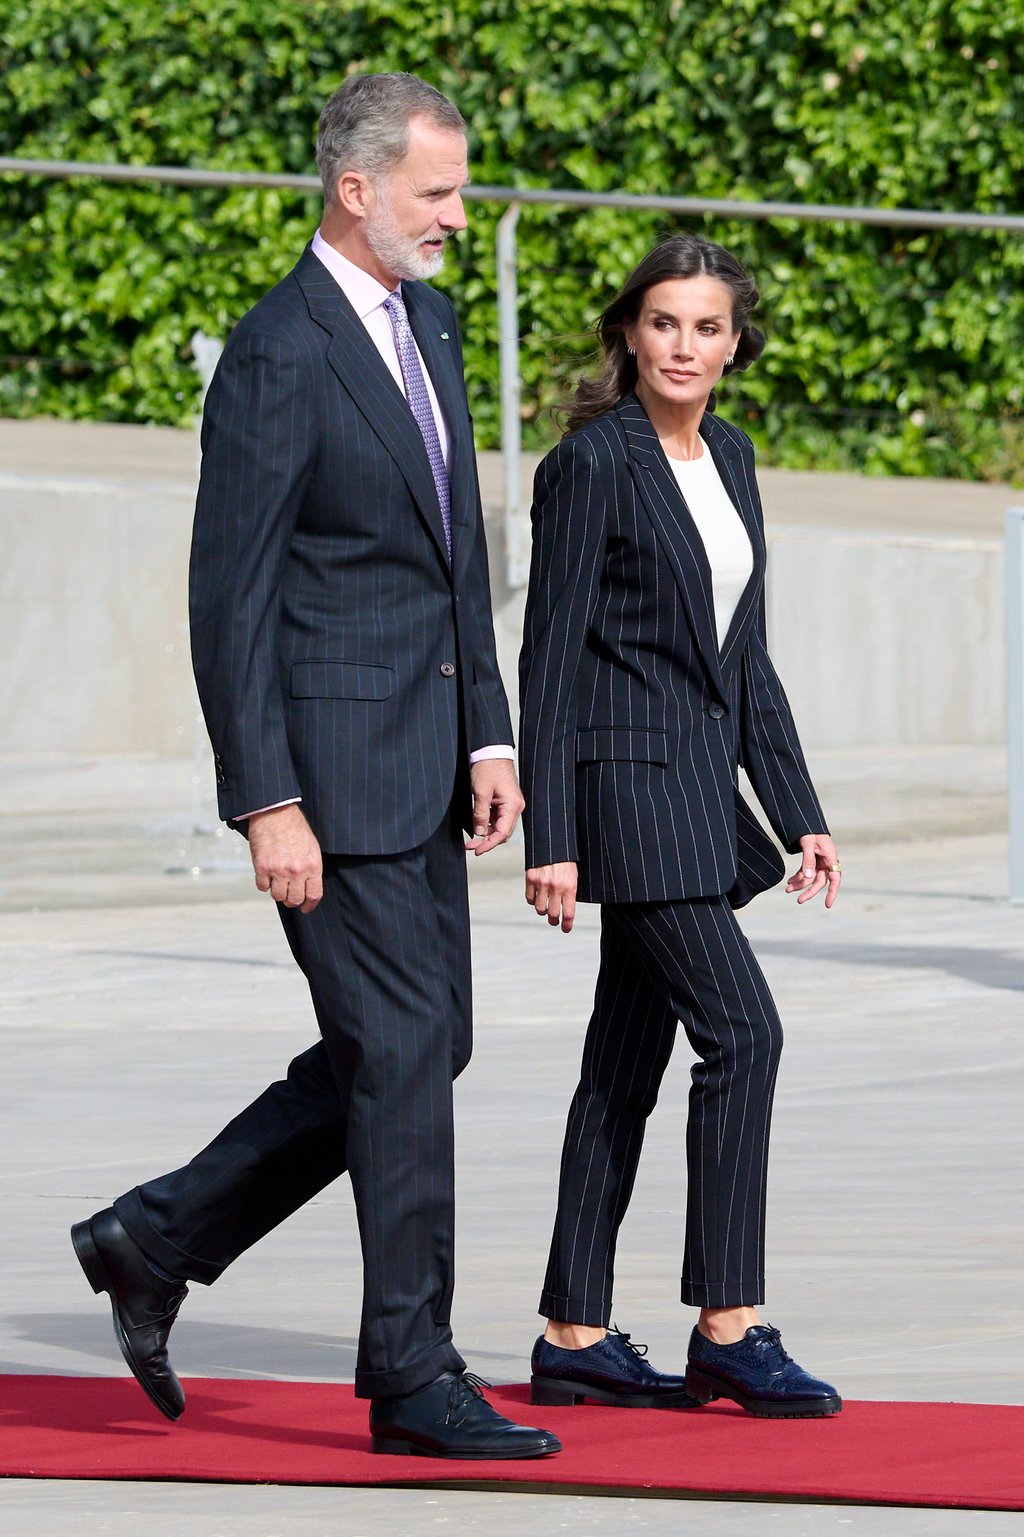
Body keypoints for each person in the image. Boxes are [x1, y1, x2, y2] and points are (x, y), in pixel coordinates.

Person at [71, 72, 560, 1462]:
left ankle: (154, 1235)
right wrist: (265, 798)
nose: (461, 217)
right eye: (438, 192)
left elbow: (457, 540)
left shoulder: (431, 326)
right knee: (402, 1048)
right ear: (357, 189)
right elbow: (229, 599)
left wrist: (489, 728)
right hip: (327, 780)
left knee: (422, 1044)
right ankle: (410, 1372)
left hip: (429, 750)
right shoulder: (280, 353)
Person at [519, 235, 843, 1419]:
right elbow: (545, 660)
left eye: (706, 328)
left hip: (703, 794)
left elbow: (742, 655)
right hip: (625, 796)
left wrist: (797, 811)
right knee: (744, 1033)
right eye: (663, 323)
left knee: (621, 1067)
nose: (684, 347)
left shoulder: (734, 457)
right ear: (629, 332)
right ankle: (728, 1323)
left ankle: (573, 1332)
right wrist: (548, 831)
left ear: (733, 341)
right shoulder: (590, 465)